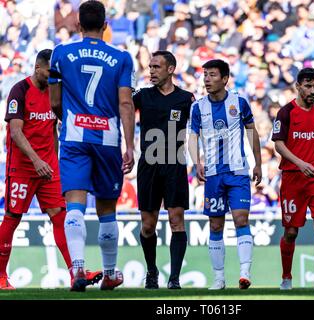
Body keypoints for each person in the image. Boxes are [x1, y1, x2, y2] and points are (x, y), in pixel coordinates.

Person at [48, 1, 135, 292]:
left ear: (78, 25)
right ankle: (109, 273)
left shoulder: (60, 54)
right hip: (108, 139)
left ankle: (78, 270)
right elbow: (125, 102)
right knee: (107, 208)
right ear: (106, 26)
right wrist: (130, 146)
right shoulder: (121, 58)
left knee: (74, 205)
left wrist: (71, 122)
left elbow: (55, 101)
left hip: (74, 137)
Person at [0, 49, 102, 290]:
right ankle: (1, 276)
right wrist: (36, 160)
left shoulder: (56, 91)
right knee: (13, 218)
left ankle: (76, 273)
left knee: (61, 218)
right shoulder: (20, 90)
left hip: (49, 169)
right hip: (23, 168)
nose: (54, 76)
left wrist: (55, 162)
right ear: (38, 69)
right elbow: (15, 132)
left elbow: (53, 129)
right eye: (50, 72)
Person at [188, 59, 262, 290]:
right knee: (216, 225)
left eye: (212, 75)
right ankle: (219, 278)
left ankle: (244, 272)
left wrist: (258, 163)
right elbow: (192, 136)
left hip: (238, 171)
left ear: (225, 78)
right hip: (212, 174)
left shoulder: (239, 102)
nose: (207, 79)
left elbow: (251, 132)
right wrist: (196, 160)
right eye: (205, 75)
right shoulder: (198, 107)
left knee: (241, 219)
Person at [133, 50, 195, 290]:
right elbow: (123, 108)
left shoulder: (186, 99)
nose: (152, 72)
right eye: (150, 67)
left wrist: (199, 158)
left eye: (156, 67)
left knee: (176, 220)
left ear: (170, 69)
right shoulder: (143, 95)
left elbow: (198, 128)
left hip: (175, 165)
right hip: (148, 164)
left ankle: (175, 278)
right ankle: (151, 270)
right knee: (148, 225)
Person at [271, 67, 314, 290]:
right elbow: (278, 144)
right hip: (292, 179)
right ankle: (287, 277)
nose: (312, 90)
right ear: (298, 86)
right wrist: (299, 163)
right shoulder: (286, 112)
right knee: (291, 232)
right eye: (308, 86)